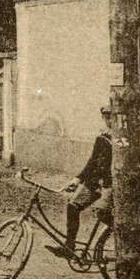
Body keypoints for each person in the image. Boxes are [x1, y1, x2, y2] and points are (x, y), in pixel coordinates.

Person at [55, 106, 115, 255]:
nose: (109, 121)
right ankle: (69, 247)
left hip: (111, 184)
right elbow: (93, 161)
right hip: (96, 183)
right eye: (106, 117)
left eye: (112, 117)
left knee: (103, 213)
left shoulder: (122, 139)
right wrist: (78, 178)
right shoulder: (102, 138)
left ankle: (127, 239)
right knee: (73, 207)